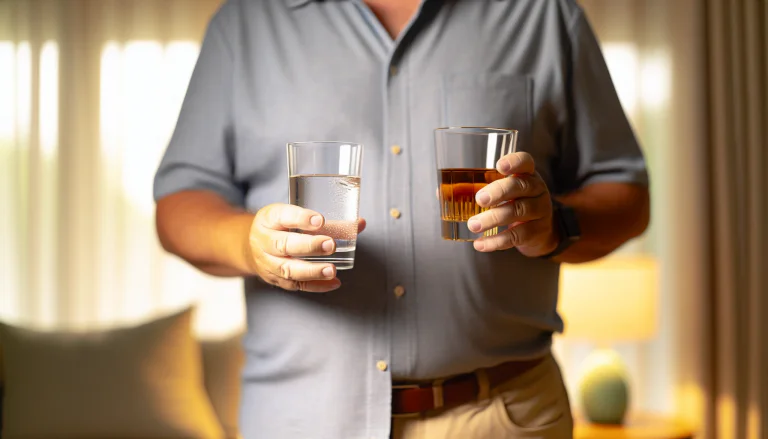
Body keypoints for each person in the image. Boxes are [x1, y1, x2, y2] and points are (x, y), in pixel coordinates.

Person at [153, 0, 650, 438]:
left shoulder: (544, 14)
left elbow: (627, 195)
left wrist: (554, 225)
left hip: (501, 418)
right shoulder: (245, 22)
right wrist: (251, 244)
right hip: (301, 421)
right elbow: (178, 204)